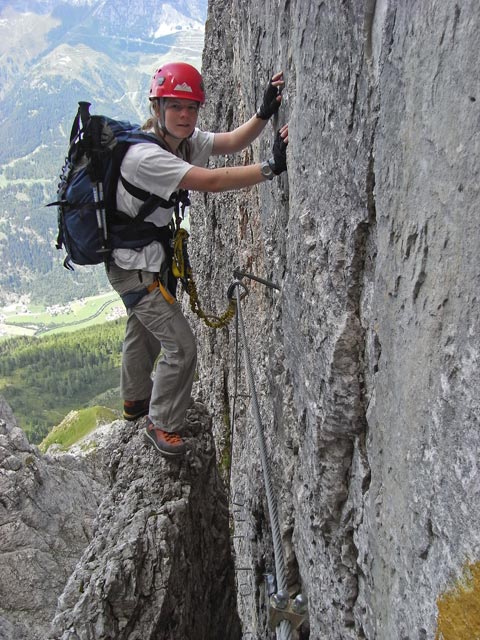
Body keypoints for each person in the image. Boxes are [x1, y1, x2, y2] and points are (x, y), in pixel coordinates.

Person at [107, 61, 288, 457]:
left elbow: (230, 144)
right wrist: (270, 168)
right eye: (176, 107)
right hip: (134, 270)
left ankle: (135, 400)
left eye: (192, 107)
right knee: (181, 346)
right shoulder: (146, 157)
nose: (186, 116)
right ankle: (161, 424)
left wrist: (263, 114)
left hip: (143, 260)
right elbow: (211, 181)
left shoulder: (178, 139)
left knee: (143, 327)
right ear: (158, 108)